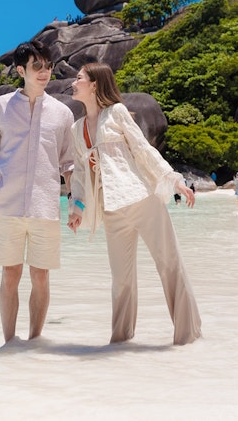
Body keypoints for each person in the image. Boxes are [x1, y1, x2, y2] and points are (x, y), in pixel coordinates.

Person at [67, 62, 201, 346]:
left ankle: (188, 338)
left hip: (141, 198)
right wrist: (76, 209)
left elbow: (142, 149)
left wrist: (174, 180)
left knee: (169, 265)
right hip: (112, 209)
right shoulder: (77, 129)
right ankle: (120, 343)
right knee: (122, 281)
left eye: (79, 78)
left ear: (94, 85)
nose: (73, 82)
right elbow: (80, 172)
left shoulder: (115, 112)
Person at [0, 41, 75, 343]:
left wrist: (74, 200)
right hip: (7, 206)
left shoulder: (62, 113)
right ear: (21, 70)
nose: (44, 72)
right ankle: (8, 343)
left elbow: (69, 162)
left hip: (46, 207)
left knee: (41, 277)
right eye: (37, 66)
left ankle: (34, 341)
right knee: (10, 274)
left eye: (47, 66)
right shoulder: (0, 107)